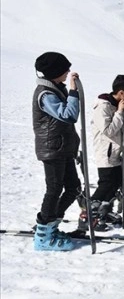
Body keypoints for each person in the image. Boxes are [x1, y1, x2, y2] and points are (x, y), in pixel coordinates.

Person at [31, 52, 81, 251]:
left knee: (73, 188)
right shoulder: (46, 94)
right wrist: (73, 92)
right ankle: (43, 234)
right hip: (52, 149)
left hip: (63, 148)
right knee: (54, 189)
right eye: (65, 69)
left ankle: (51, 224)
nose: (68, 71)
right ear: (55, 72)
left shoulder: (55, 89)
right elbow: (68, 115)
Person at [84, 74, 124, 232]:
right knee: (105, 184)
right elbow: (109, 130)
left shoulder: (122, 104)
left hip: (118, 153)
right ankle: (88, 214)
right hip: (106, 152)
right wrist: (119, 113)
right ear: (121, 92)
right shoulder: (104, 106)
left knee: (115, 184)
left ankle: (104, 212)